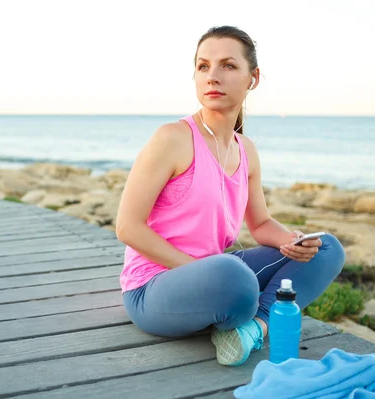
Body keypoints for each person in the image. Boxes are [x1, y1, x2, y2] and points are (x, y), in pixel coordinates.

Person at [115, 25, 346, 366]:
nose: (213, 77)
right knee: (233, 276)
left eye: (228, 65)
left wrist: (293, 239)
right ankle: (235, 303)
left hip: (217, 275)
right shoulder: (172, 138)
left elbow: (261, 223)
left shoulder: (246, 150)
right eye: (203, 66)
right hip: (153, 288)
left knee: (326, 247)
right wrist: (200, 270)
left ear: (252, 78)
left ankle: (253, 329)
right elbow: (128, 227)